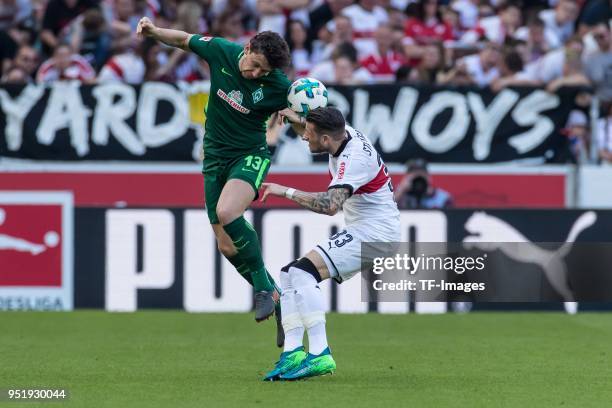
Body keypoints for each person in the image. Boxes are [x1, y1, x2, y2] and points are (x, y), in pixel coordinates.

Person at [136, 17, 292, 342]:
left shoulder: (278, 86)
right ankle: (281, 300)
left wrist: (302, 120)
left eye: (265, 71)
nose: (258, 74)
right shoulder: (221, 51)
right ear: (247, 49)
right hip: (214, 159)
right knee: (225, 244)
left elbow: (302, 114)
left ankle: (264, 289)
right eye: (256, 66)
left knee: (227, 212)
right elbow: (182, 40)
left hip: (250, 156)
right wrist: (153, 32)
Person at [260, 107, 400, 380]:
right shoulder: (340, 134)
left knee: (302, 273)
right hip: (368, 230)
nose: (303, 138)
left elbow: (329, 205)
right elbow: (316, 130)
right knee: (289, 274)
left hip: (376, 234)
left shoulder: (354, 159)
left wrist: (284, 190)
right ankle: (292, 354)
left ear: (325, 140)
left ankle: (321, 354)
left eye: (308, 135)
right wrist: (297, 119)